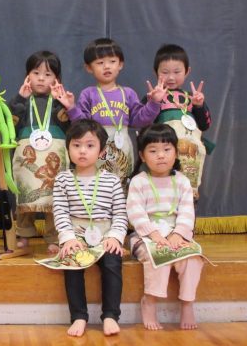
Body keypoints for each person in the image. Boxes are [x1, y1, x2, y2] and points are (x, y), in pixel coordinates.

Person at [53, 38, 163, 188]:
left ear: (120, 64)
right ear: (89, 68)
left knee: (121, 185)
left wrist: (154, 103)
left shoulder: (128, 93)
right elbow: (83, 125)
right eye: (100, 63)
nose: (106, 66)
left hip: (123, 147)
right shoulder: (89, 94)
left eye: (112, 61)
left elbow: (140, 120)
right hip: (96, 147)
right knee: (96, 184)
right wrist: (72, 107)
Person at [53, 119, 128, 337]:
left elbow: (120, 215)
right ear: (68, 149)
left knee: (113, 262)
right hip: (76, 234)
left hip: (105, 235)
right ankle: (78, 316)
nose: (82, 151)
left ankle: (111, 315)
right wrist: (68, 238)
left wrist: (115, 237)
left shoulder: (112, 181)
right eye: (76, 145)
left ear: (102, 151)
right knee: (72, 264)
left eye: (90, 145)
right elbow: (60, 212)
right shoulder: (63, 180)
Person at [127, 124, 203, 331]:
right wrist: (153, 234)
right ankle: (150, 301)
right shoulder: (139, 182)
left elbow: (187, 212)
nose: (161, 156)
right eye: (153, 151)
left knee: (193, 259)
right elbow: (135, 213)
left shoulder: (183, 181)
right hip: (146, 236)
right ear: (142, 156)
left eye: (167, 150)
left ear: (176, 152)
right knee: (158, 256)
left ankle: (187, 303)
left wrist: (178, 234)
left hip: (176, 234)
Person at [9, 50, 70, 254]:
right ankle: (23, 234)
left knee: (55, 198)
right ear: (28, 76)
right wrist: (19, 98)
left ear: (57, 79)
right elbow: (11, 125)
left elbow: (71, 127)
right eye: (36, 73)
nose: (41, 78)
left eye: (48, 74)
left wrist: (66, 104)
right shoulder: (22, 100)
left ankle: (54, 236)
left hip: (54, 153)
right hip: (28, 151)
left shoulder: (60, 101)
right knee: (26, 194)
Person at [146, 44, 212, 200]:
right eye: (165, 72)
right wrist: (153, 102)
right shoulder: (153, 96)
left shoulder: (192, 97)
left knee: (188, 194)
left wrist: (199, 106)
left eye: (177, 72)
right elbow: (143, 123)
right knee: (163, 193)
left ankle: (188, 222)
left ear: (187, 71)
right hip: (163, 153)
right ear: (156, 72)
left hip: (190, 154)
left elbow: (205, 125)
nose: (171, 77)